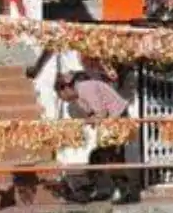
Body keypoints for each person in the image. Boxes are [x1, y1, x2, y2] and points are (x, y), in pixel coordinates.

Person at [55, 71, 134, 203]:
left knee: (109, 156)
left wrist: (85, 122)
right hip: (111, 121)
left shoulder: (86, 88)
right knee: (100, 156)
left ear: (66, 88)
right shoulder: (80, 95)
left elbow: (101, 113)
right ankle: (99, 190)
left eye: (62, 95)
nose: (64, 99)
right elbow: (92, 115)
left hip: (118, 118)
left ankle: (121, 192)